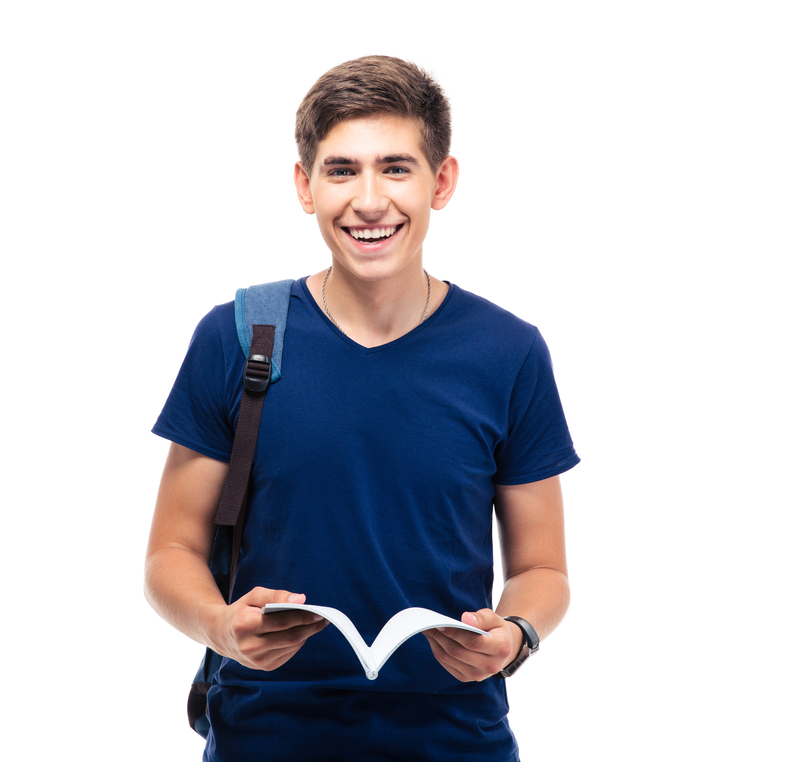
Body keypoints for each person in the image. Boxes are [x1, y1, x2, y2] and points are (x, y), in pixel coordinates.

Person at [145, 55, 579, 761]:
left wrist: (516, 632)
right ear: (304, 186)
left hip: (456, 739)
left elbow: (543, 569)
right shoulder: (237, 336)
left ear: (441, 182)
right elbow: (170, 553)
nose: (369, 200)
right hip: (265, 738)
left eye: (396, 168)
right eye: (341, 170)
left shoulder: (509, 352)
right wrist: (221, 628)